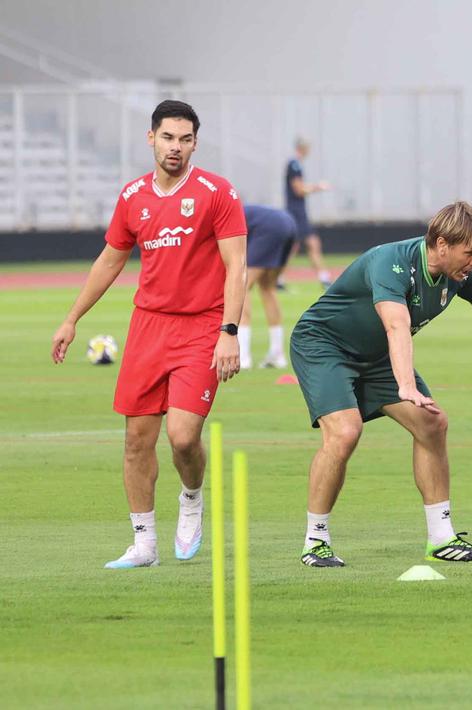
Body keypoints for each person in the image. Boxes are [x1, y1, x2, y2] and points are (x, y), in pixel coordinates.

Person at [291, 201, 472, 567]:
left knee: (432, 424)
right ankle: (315, 540)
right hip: (325, 345)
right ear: (442, 244)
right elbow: (396, 325)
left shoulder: (460, 274)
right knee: (345, 432)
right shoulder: (391, 262)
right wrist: (406, 386)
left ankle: (441, 538)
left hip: (377, 353)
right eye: (471, 252)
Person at [51, 100, 247, 569]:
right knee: (137, 440)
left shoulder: (217, 192)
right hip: (148, 329)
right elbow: (110, 260)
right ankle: (143, 545)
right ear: (151, 138)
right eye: (167, 138)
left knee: (182, 437)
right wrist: (72, 317)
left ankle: (192, 497)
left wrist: (229, 332)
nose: (175, 147)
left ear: (195, 142)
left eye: (184, 139)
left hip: (202, 326)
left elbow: (237, 265)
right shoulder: (132, 196)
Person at [238, 205, 297, 369]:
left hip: (269, 227)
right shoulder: (244, 210)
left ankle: (243, 356)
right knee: (268, 288)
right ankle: (277, 354)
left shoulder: (221, 216)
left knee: (242, 287)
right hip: (288, 223)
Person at [283, 137, 332, 287]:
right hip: (296, 211)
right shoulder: (295, 164)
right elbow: (299, 189)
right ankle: (324, 278)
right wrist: (319, 187)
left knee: (295, 246)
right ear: (302, 148)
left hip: (297, 211)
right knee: (311, 243)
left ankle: (278, 278)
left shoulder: (295, 164)